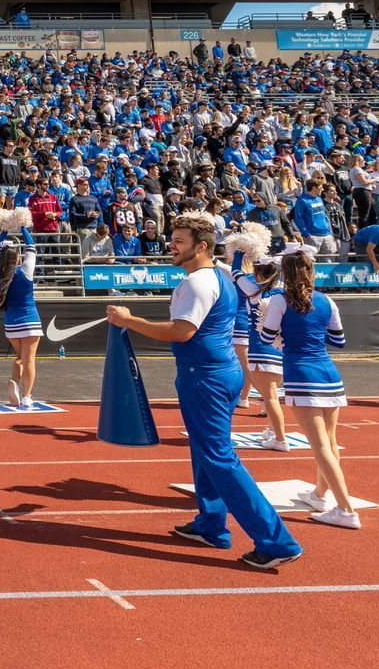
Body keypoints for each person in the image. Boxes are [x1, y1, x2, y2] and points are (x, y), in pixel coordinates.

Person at [106, 212, 304, 570]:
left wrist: (129, 321)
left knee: (218, 457)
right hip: (217, 374)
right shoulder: (221, 275)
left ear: (201, 246)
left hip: (206, 378)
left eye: (178, 241)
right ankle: (211, 524)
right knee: (205, 451)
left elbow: (182, 331)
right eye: (172, 239)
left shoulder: (199, 282)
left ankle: (277, 541)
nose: (171, 246)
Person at [258, 247, 360, 528]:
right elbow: (339, 341)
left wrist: (284, 333)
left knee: (320, 446)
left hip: (302, 375)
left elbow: (267, 338)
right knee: (329, 440)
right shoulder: (327, 300)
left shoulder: (279, 300)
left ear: (285, 273)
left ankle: (346, 509)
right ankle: (319, 494)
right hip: (329, 373)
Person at [228, 251, 290, 450]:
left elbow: (235, 271)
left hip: (261, 347)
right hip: (278, 347)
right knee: (270, 395)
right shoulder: (283, 291)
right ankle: (273, 432)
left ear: (259, 276)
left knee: (270, 397)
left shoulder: (254, 291)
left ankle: (280, 439)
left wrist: (239, 250)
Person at [0, 227, 42, 407]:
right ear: (17, 258)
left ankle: (14, 383)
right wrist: (23, 228)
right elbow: (31, 247)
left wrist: (4, 230)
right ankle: (27, 396)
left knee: (21, 357)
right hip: (30, 320)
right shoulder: (25, 271)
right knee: (29, 359)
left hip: (11, 324)